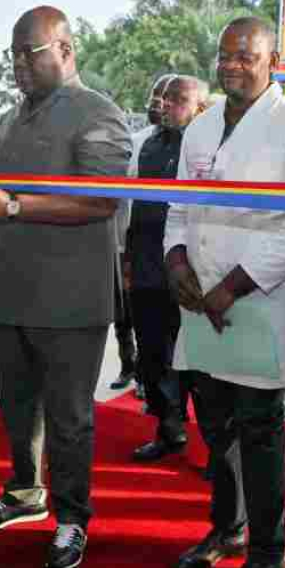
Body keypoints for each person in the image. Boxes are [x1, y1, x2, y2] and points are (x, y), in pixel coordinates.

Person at [163, 16, 285, 568]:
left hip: (257, 301)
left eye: (246, 55)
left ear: (273, 62)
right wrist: (177, 261)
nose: (232, 64)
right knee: (215, 426)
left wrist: (232, 286)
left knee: (260, 433)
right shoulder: (202, 126)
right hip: (199, 300)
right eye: (225, 54)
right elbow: (179, 206)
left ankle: (268, 552)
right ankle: (227, 529)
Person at [0, 6, 131, 568]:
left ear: (65, 49)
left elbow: (102, 200)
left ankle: (72, 518)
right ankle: (24, 493)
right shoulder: (10, 119)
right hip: (14, 286)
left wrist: (9, 205)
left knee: (69, 416)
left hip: (72, 297)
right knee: (17, 405)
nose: (17, 65)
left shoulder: (98, 114)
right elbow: (4, 199)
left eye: (28, 53)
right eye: (11, 55)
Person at [127, 75, 209, 462]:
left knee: (198, 362)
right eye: (162, 97)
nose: (165, 104)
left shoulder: (210, 147)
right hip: (147, 266)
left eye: (177, 99)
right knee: (154, 355)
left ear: (200, 108)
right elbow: (133, 207)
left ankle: (213, 445)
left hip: (192, 269)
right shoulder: (146, 145)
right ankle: (168, 429)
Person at [109, 76, 172, 392]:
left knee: (160, 325)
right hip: (126, 242)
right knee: (125, 314)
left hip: (162, 250)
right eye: (154, 96)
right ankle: (129, 367)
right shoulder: (135, 142)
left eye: (165, 97)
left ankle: (159, 383)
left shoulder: (184, 143)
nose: (157, 103)